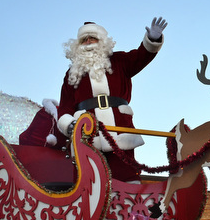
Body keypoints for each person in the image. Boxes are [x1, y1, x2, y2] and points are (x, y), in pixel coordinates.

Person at [56, 17, 167, 182]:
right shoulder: (72, 73)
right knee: (88, 178)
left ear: (102, 41)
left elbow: (141, 56)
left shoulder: (120, 61)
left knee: (126, 176)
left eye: (92, 38)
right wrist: (69, 124)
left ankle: (129, 206)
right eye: (84, 40)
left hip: (120, 127)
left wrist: (152, 39)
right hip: (87, 131)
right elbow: (65, 106)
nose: (88, 42)